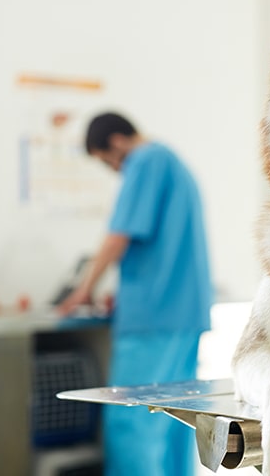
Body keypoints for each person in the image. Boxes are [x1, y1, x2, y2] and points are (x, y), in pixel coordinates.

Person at [58, 112, 213, 476]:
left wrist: (84, 288)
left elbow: (120, 234)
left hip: (153, 319)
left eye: (107, 162)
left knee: (132, 422)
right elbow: (159, 248)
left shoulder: (144, 160)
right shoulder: (173, 163)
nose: (113, 170)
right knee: (176, 420)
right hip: (182, 314)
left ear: (116, 143)